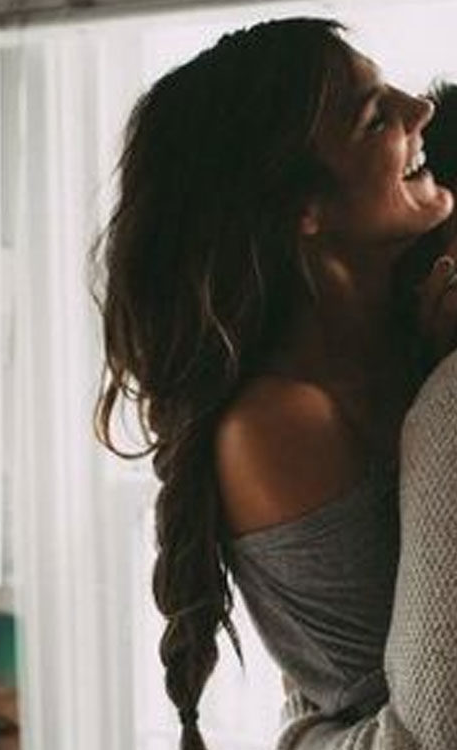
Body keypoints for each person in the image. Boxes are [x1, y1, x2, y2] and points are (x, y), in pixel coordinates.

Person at [92, 17, 456, 750]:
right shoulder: (276, 425)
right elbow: (424, 728)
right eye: (374, 118)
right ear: (300, 209)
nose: (420, 109)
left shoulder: (412, 334)